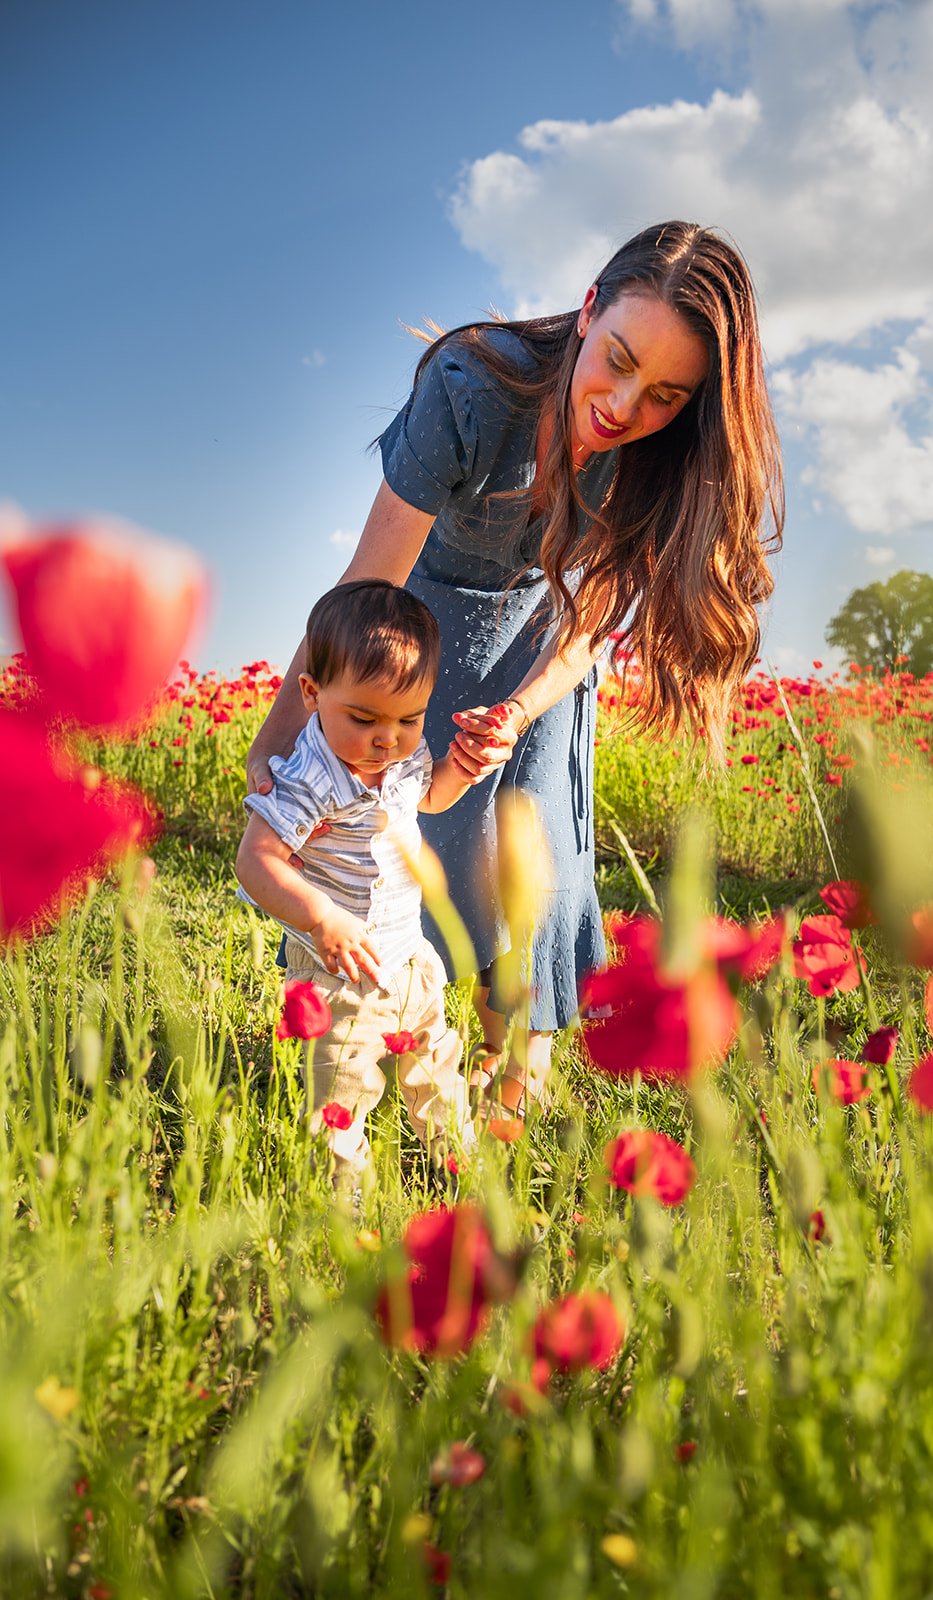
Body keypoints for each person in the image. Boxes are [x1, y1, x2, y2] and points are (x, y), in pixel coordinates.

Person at [247, 220, 783, 1118]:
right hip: (418, 629)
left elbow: (590, 626)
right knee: (400, 845)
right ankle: (368, 1035)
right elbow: (368, 580)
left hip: (547, 637)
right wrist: (276, 739)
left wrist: (525, 709)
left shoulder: (661, 465)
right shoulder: (472, 388)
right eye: (616, 359)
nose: (622, 405)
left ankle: (513, 1092)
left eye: (663, 395)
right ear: (587, 310)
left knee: (536, 851)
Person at [236, 579, 478, 1183]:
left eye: (409, 718)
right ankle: (345, 1202)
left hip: (409, 955)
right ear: (313, 694)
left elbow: (427, 797)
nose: (388, 738)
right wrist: (322, 917)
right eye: (364, 717)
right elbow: (254, 860)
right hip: (339, 970)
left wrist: (460, 771)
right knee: (342, 1086)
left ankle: (461, 1163)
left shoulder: (399, 755)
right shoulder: (307, 779)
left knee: (436, 1063)